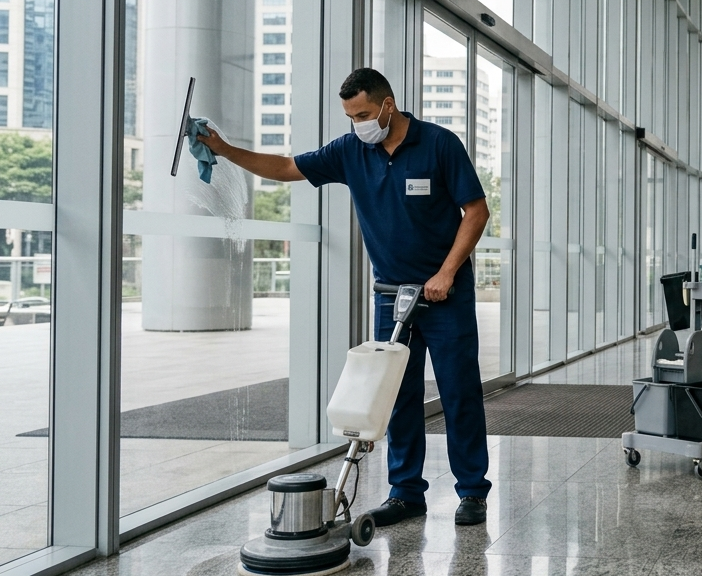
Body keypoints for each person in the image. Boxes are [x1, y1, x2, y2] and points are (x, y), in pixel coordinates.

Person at [197, 68, 493, 526]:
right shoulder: (350, 151)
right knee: (396, 395)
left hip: (445, 294)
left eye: (363, 114)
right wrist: (224, 150)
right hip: (392, 295)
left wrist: (446, 272)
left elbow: (476, 211)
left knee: (459, 392)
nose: (358, 124)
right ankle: (405, 493)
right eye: (351, 117)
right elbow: (287, 168)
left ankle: (472, 490)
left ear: (387, 105)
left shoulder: (439, 144)